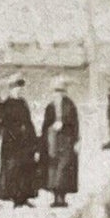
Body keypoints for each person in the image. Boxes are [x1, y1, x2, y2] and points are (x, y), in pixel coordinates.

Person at [0, 76, 37, 207]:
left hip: (24, 142)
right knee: (11, 168)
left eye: (19, 88)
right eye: (15, 88)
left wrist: (33, 138)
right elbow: (4, 124)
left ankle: (23, 197)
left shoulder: (23, 102)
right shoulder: (6, 104)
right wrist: (16, 132)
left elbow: (28, 121)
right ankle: (11, 196)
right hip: (11, 142)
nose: (18, 90)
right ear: (10, 89)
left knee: (24, 168)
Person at [42, 79, 80, 208]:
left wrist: (76, 140)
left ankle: (61, 197)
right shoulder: (50, 106)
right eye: (55, 91)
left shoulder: (70, 106)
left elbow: (75, 125)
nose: (57, 94)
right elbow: (45, 125)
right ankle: (55, 196)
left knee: (64, 169)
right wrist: (43, 141)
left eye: (60, 91)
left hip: (66, 141)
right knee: (53, 168)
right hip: (53, 142)